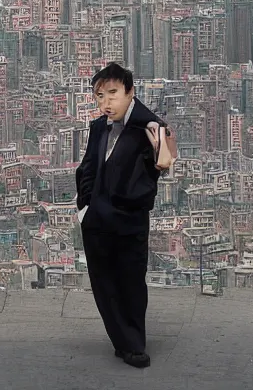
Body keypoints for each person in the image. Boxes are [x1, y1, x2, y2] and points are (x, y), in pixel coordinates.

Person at [75, 62, 177, 368]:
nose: (106, 102)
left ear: (130, 92)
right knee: (103, 284)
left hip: (129, 220)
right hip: (96, 222)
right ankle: (121, 341)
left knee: (131, 283)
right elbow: (87, 169)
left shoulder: (150, 128)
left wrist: (134, 199)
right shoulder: (97, 128)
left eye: (113, 93)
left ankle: (134, 345)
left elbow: (164, 162)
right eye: (100, 96)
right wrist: (85, 208)